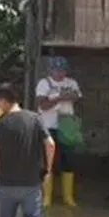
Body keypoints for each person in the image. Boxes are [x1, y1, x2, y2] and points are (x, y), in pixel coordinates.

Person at [0, 83, 54, 217]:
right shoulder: (35, 119)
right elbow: (50, 144)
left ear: (2, 100)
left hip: (6, 184)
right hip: (32, 183)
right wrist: (47, 170)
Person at [35, 56, 82, 207]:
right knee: (48, 161)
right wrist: (60, 98)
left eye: (62, 70)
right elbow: (43, 105)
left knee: (68, 160)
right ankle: (47, 197)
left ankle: (68, 197)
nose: (60, 73)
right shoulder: (44, 83)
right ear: (51, 70)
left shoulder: (71, 82)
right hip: (48, 126)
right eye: (56, 70)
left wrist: (57, 97)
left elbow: (77, 96)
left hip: (66, 127)